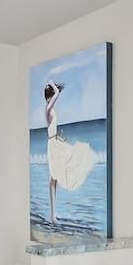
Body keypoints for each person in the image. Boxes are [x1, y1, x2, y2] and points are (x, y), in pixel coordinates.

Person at [43, 80, 97, 225]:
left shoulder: (50, 109)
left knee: (54, 178)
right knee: (54, 178)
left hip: (55, 142)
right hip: (53, 144)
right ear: (49, 97)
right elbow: (57, 94)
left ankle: (53, 215)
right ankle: (53, 215)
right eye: (51, 95)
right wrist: (53, 85)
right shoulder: (48, 109)